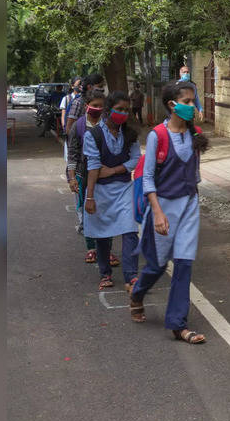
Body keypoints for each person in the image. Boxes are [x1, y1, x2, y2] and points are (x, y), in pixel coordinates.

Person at [129, 81, 210, 344]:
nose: (192, 107)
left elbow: (194, 173)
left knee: (184, 264)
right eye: (187, 102)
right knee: (157, 264)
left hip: (188, 206)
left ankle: (178, 325)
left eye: (192, 101)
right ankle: (137, 293)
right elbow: (148, 177)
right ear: (172, 105)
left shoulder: (194, 134)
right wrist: (157, 213)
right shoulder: (157, 136)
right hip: (163, 206)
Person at [82, 90, 142, 290]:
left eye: (126, 110)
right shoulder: (94, 135)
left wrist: (113, 170)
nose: (123, 113)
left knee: (130, 230)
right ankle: (105, 273)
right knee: (102, 234)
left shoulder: (131, 134)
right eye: (119, 109)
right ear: (108, 110)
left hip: (124, 187)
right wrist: (89, 197)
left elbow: (134, 159)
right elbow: (93, 166)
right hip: (100, 191)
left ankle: (131, 276)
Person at [67, 90, 119, 266]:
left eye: (101, 106)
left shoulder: (109, 125)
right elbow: (72, 154)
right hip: (83, 175)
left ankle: (107, 250)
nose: (98, 108)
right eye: (95, 105)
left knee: (106, 212)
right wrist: (72, 178)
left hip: (104, 176)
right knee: (86, 211)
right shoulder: (78, 126)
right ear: (86, 106)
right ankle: (91, 248)